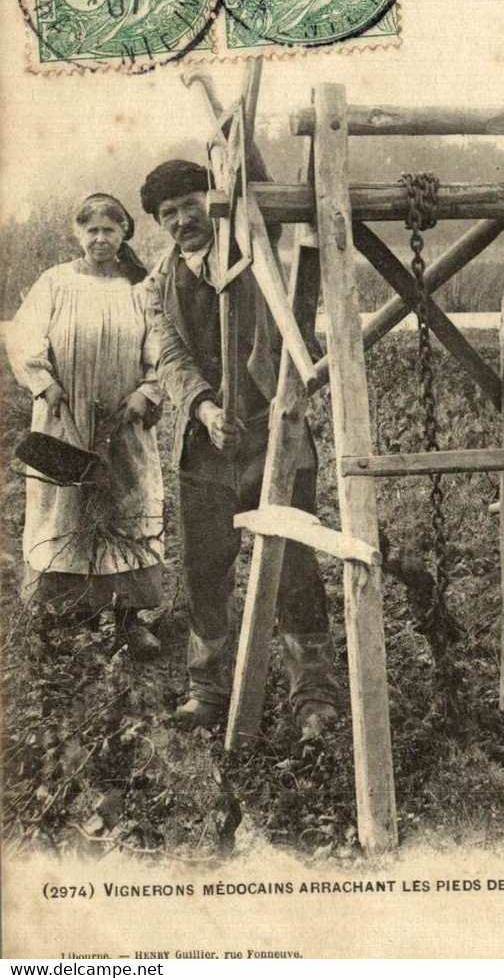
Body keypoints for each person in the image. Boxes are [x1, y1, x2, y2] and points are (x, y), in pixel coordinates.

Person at [141, 160, 337, 733]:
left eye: (190, 204)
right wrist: (203, 408)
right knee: (206, 568)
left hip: (275, 434)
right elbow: (172, 357)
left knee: (294, 565)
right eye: (167, 214)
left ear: (215, 200)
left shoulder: (253, 246)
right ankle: (209, 690)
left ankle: (314, 696)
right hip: (205, 449)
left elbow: (256, 184)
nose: (182, 221)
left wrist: (237, 143)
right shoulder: (156, 285)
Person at [6, 194, 165, 656]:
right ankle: (68, 618)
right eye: (91, 230)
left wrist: (146, 392)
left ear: (123, 234)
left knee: (127, 508)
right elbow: (24, 338)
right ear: (78, 234)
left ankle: (129, 620)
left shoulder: (141, 285)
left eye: (109, 230)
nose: (100, 238)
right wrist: (45, 384)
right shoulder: (54, 283)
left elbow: (162, 346)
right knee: (65, 509)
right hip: (64, 416)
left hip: (125, 421)